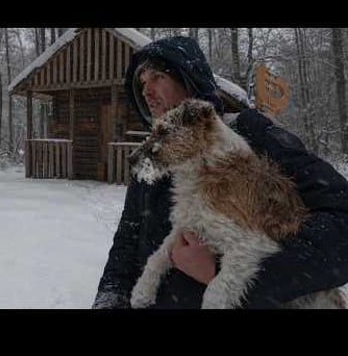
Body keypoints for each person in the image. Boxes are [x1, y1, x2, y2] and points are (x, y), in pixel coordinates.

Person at [92, 36, 348, 309]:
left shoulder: (252, 135)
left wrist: (221, 273)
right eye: (141, 83)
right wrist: (110, 298)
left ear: (189, 77)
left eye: (156, 77)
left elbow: (342, 224)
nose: (146, 90)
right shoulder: (155, 160)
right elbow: (127, 244)